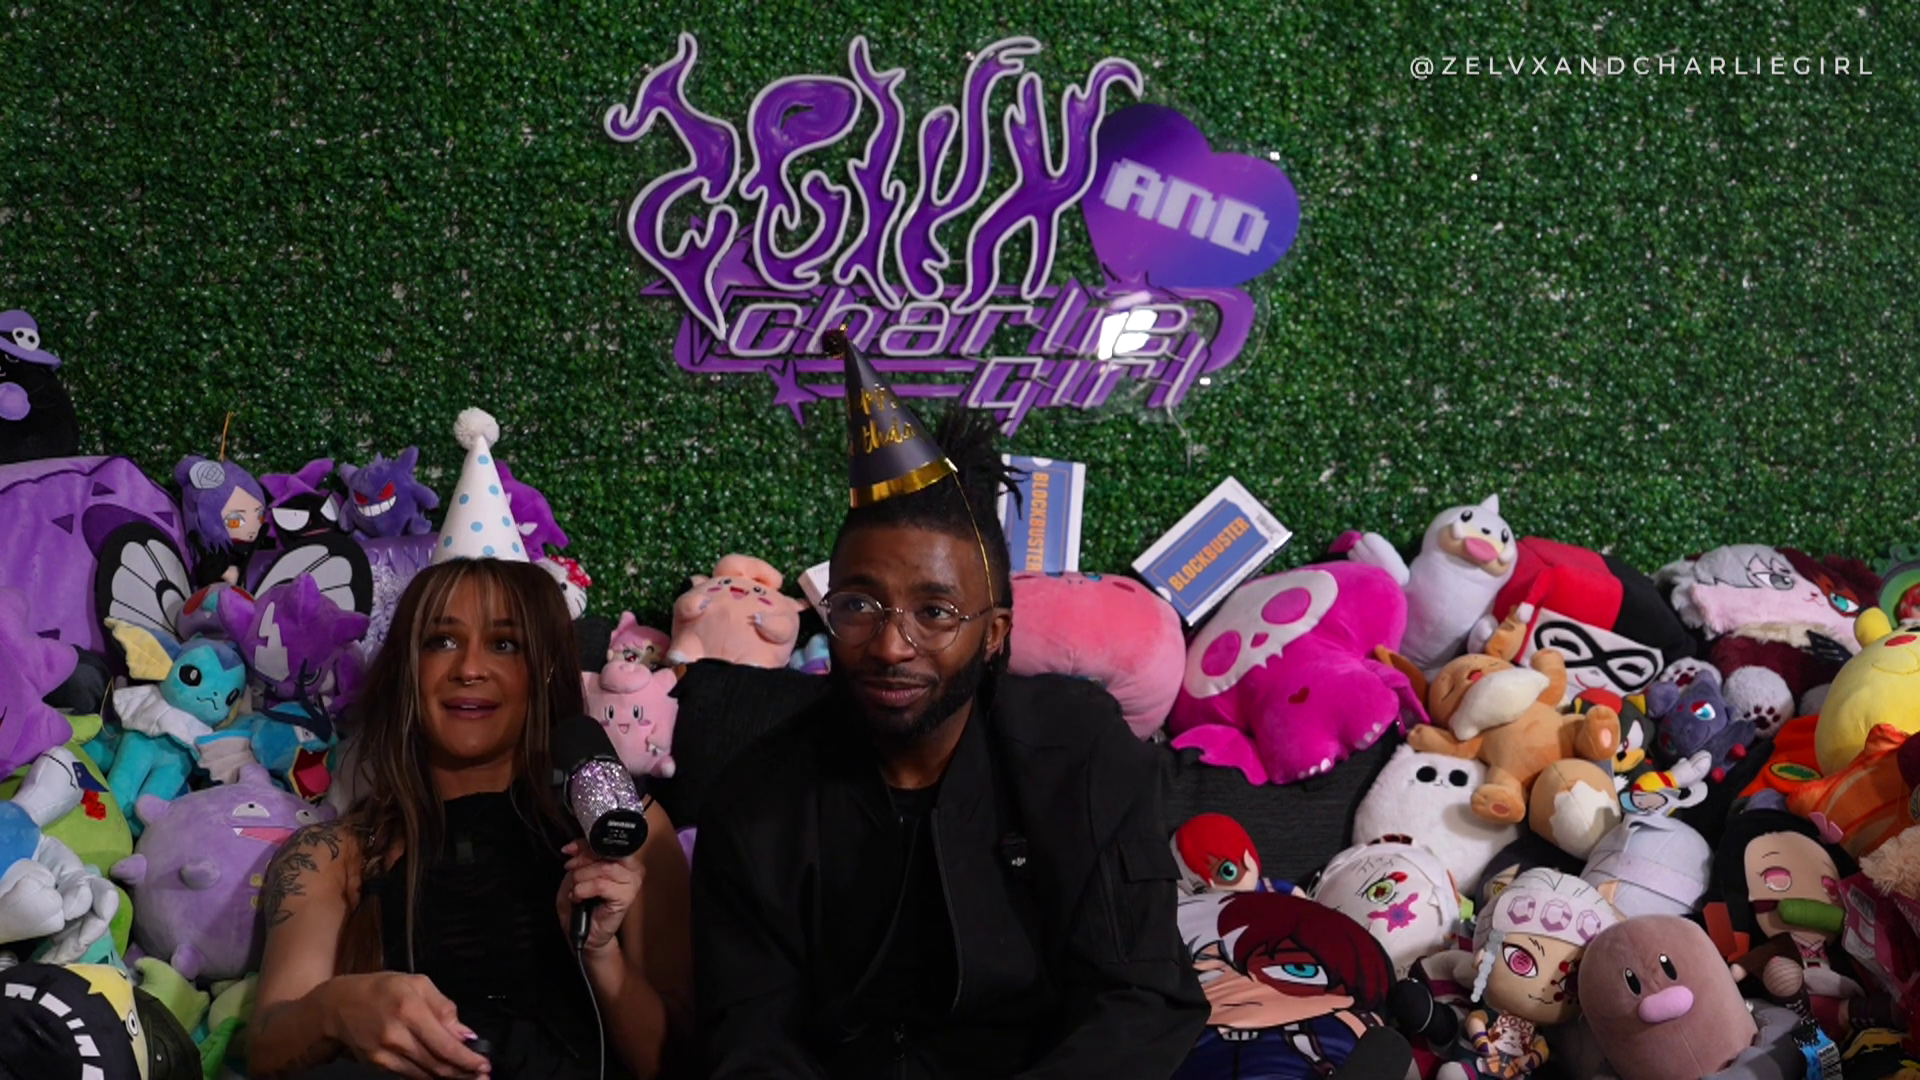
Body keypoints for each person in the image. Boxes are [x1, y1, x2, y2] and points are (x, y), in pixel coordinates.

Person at [691, 330, 1208, 1078]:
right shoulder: (759, 796)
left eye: (934, 612)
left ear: (995, 634)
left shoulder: (1081, 757)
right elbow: (750, 1038)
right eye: (859, 605)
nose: (890, 645)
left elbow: (1138, 999)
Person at [248, 412, 692, 1080]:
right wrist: (338, 1009)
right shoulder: (332, 856)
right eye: (443, 641)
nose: (470, 669)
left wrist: (601, 955)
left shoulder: (629, 829)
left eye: (505, 644)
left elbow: (682, 1064)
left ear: (545, 669)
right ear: (409, 669)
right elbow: (266, 1049)